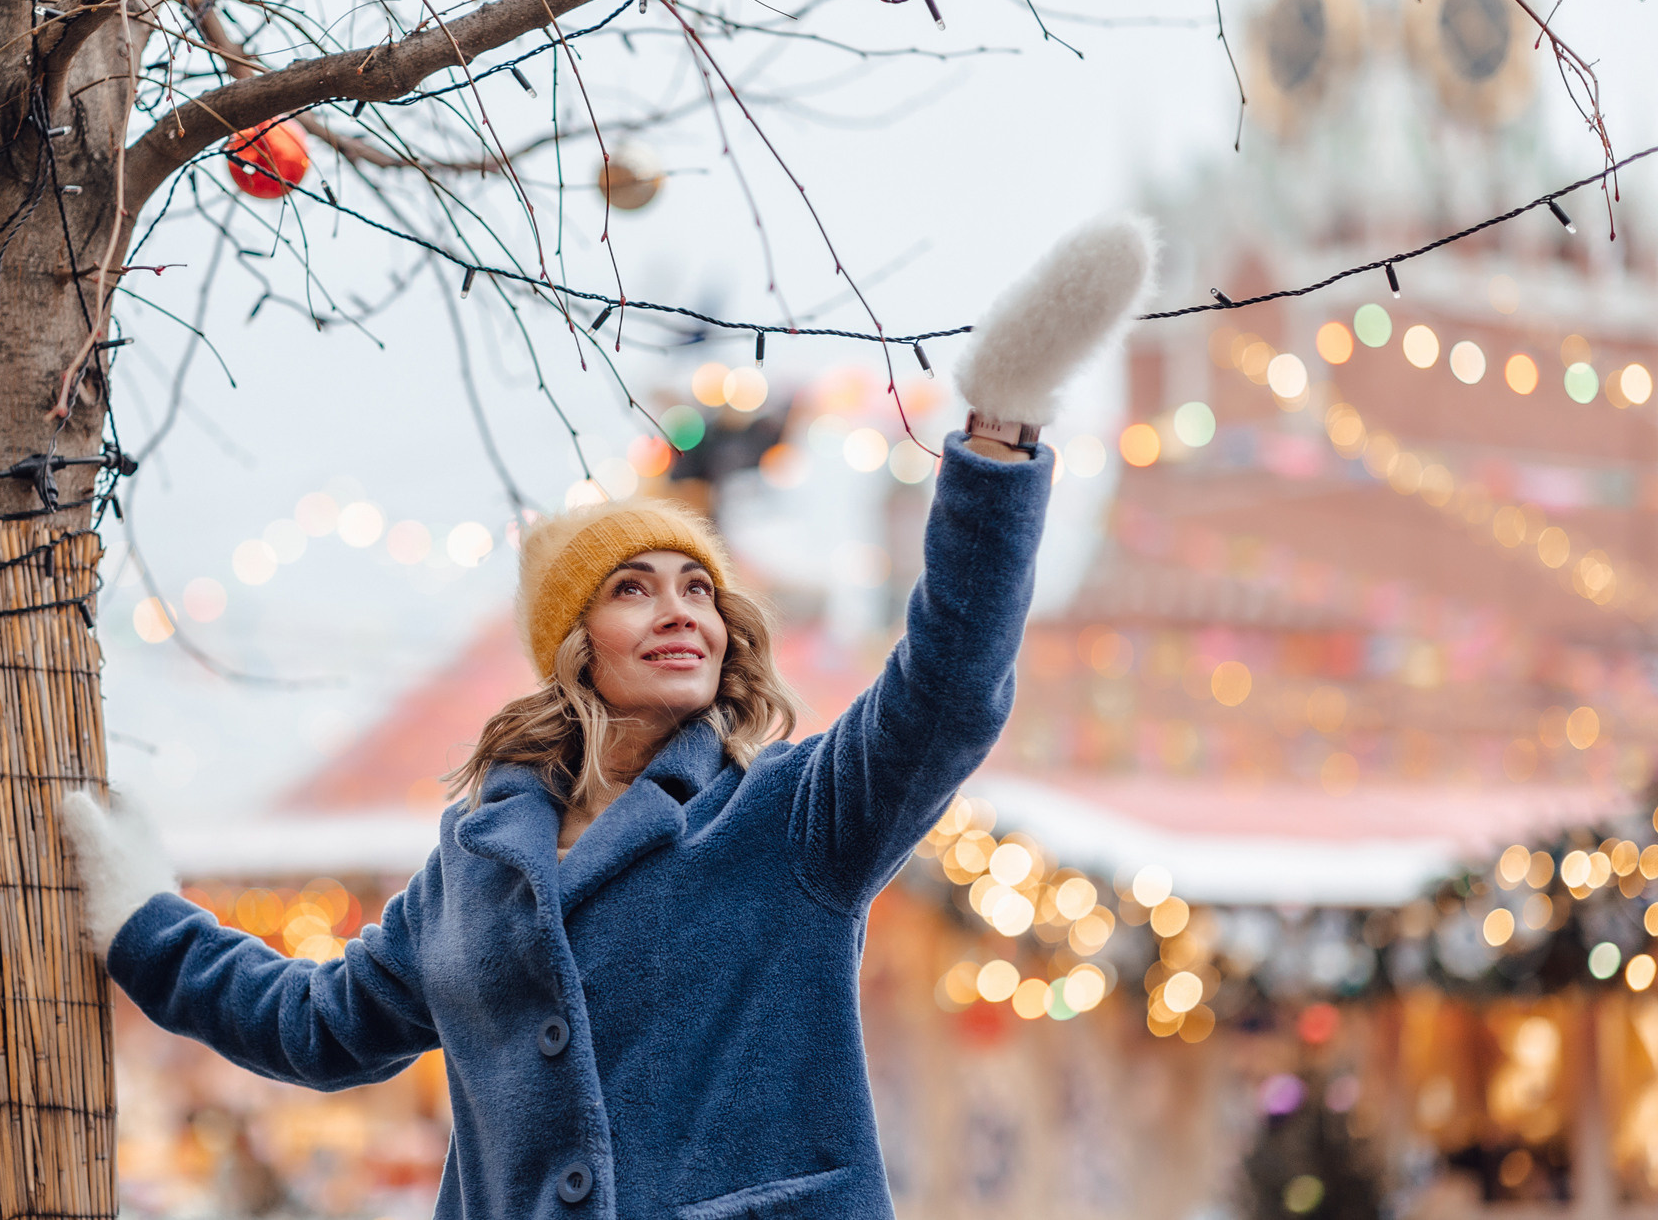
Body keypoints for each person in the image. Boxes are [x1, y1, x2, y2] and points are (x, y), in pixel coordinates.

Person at [63, 214, 1158, 1219]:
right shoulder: (470, 874)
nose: (680, 613)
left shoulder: (788, 816)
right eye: (633, 589)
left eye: (698, 591)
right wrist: (140, 920)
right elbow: (309, 1026)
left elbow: (948, 691)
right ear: (570, 642)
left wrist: (997, 437)